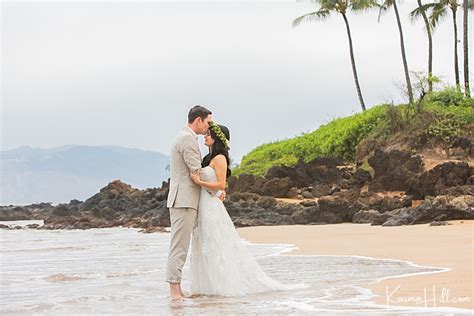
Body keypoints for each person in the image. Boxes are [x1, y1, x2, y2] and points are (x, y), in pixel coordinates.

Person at [189, 122, 296, 296]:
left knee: (215, 244)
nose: (205, 136)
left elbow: (221, 184)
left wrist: (200, 182)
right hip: (204, 204)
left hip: (211, 208)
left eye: (208, 134)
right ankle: (207, 287)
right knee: (204, 245)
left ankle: (222, 286)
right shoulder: (208, 159)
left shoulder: (220, 159)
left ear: (216, 138)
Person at [165, 105, 224, 299]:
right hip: (183, 200)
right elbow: (195, 171)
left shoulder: (185, 137)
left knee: (181, 244)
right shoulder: (187, 139)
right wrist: (214, 189)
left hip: (185, 198)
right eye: (208, 122)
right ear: (198, 120)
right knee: (179, 246)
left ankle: (178, 289)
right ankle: (175, 291)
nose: (209, 127)